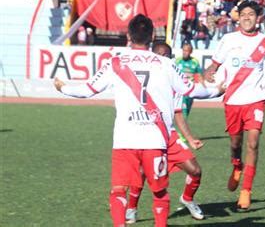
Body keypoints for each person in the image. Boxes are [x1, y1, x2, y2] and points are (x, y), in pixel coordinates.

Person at [53, 14, 222, 227]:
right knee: (159, 192)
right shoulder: (166, 64)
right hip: (155, 139)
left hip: (125, 139)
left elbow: (87, 90)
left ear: (129, 35)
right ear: (152, 35)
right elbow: (192, 90)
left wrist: (63, 87)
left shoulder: (115, 62)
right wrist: (218, 91)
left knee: (118, 190)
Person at [203, 0, 265, 210]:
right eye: (243, 14)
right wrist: (209, 72)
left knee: (253, 142)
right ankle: (237, 166)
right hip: (233, 100)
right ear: (239, 17)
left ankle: (246, 191)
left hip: (256, 98)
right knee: (236, 144)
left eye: (251, 14)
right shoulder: (228, 39)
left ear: (258, 18)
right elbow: (214, 65)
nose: (246, 17)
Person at [126, 42, 219, 224]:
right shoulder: (141, 80)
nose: (163, 59)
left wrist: (190, 139)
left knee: (195, 171)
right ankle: (131, 208)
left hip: (168, 136)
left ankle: (187, 199)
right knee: (143, 171)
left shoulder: (172, 80)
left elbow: (177, 113)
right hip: (146, 133)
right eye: (159, 55)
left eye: (166, 56)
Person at [175, 43, 203, 120]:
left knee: (186, 112)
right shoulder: (177, 61)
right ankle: (179, 131)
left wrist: (203, 87)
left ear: (190, 52)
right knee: (182, 112)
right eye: (183, 50)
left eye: (187, 51)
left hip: (190, 92)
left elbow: (200, 76)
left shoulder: (195, 62)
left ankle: (180, 130)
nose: (184, 52)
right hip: (180, 91)